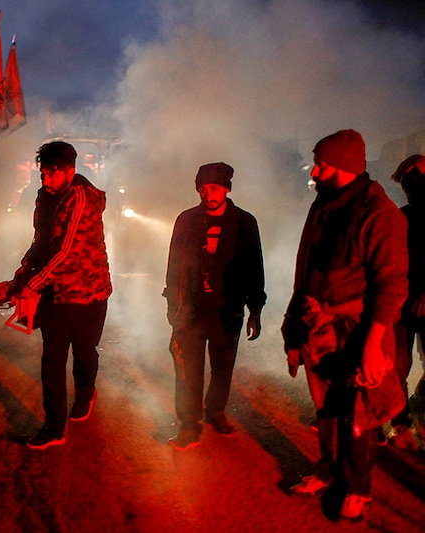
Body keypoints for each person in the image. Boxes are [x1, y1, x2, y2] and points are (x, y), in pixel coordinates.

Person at [282, 130, 408, 521]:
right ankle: (327, 470)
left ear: (346, 167)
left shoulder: (379, 213)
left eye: (322, 164)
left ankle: (357, 487)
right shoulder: (323, 204)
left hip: (359, 328)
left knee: (359, 412)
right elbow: (304, 269)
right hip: (319, 328)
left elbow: (392, 285)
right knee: (327, 409)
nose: (314, 171)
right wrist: (292, 330)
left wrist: (373, 344)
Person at [0, 141, 112, 449]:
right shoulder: (45, 196)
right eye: (43, 173)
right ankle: (54, 427)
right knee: (52, 360)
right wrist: (19, 280)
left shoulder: (82, 199)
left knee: (84, 353)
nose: (46, 181)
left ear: (70, 171)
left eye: (53, 174)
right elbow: (41, 243)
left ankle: (85, 394)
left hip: (88, 292)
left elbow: (66, 252)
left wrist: (31, 286)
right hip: (56, 293)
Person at [163, 162, 266, 450]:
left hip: (227, 309)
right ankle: (189, 423)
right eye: (204, 188)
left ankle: (216, 410)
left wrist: (255, 308)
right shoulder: (186, 220)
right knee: (188, 371)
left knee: (223, 367)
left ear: (227, 189)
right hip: (191, 309)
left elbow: (254, 266)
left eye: (215, 188)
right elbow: (174, 265)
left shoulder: (245, 222)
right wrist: (173, 305)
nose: (209, 194)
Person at [390, 155, 425, 430]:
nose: (408, 190)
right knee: (399, 364)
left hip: (416, 301)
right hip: (402, 302)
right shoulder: (402, 216)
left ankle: (416, 408)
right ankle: (401, 419)